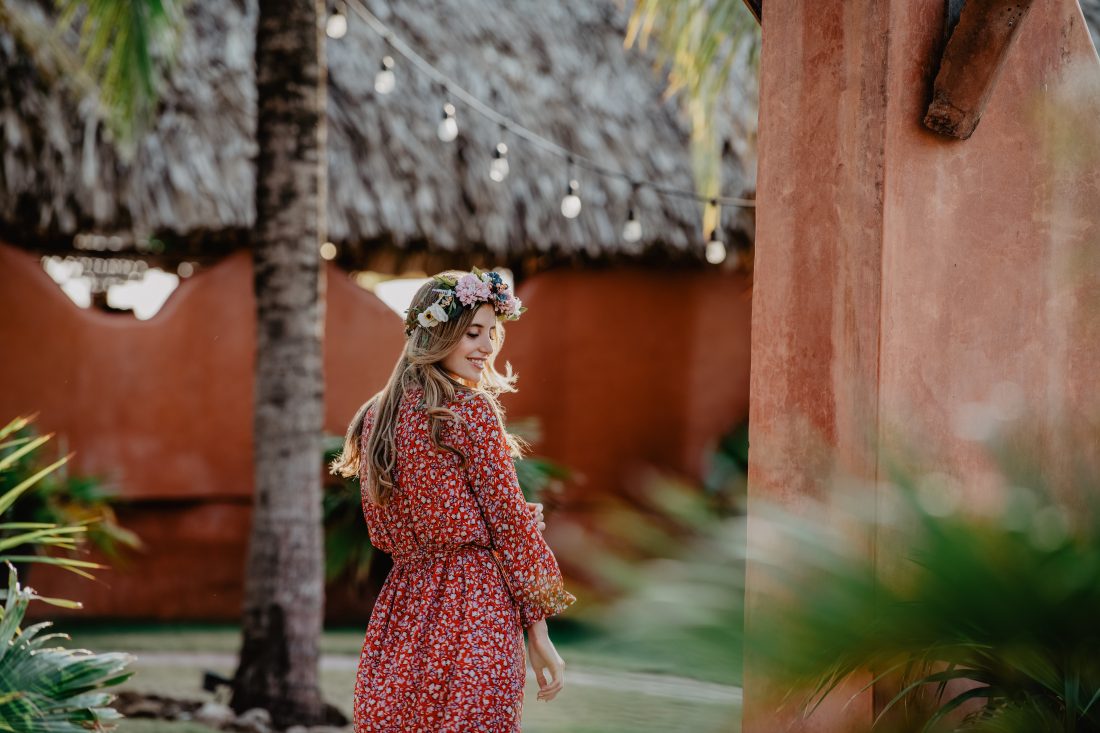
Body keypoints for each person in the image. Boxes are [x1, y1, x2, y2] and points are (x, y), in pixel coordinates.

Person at [330, 269, 576, 732]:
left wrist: (489, 522)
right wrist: (538, 630)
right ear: (437, 333)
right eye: (472, 333)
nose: (487, 347)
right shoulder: (469, 410)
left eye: (491, 333)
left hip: (404, 610)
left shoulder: (375, 417)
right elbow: (509, 527)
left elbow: (390, 527)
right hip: (474, 605)